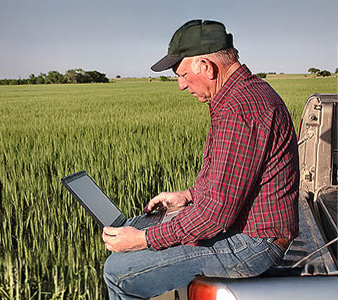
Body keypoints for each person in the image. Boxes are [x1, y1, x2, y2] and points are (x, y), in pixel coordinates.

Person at [99, 19, 298, 299]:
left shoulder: (240, 110)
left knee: (119, 271)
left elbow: (214, 215)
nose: (181, 85)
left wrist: (142, 241)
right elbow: (232, 181)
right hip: (248, 230)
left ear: (206, 66)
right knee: (140, 223)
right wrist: (188, 196)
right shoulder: (240, 97)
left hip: (252, 244)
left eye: (181, 74)